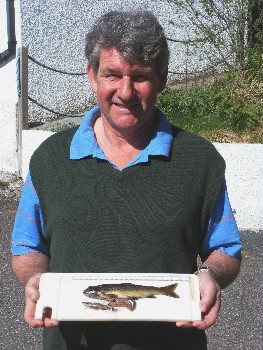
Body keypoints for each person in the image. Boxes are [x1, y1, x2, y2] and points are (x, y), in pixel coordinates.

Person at [11, 10, 242, 350]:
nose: (125, 91)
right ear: (92, 76)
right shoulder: (50, 158)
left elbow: (225, 248)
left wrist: (210, 276)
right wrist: (35, 279)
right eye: (112, 75)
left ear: (163, 79)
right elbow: (27, 247)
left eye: (141, 76)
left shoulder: (199, 160)